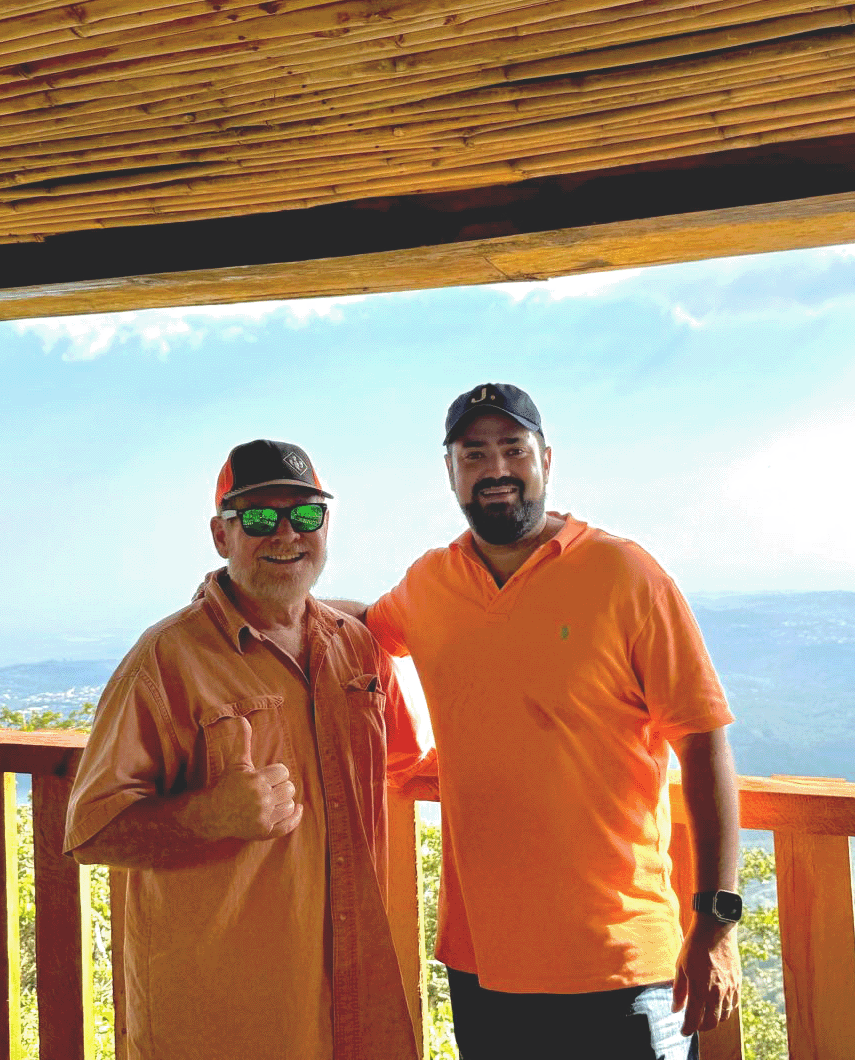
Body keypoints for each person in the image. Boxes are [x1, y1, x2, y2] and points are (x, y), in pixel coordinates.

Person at [329, 383, 741, 1060]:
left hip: (620, 963)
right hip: (483, 965)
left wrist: (717, 923)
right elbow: (365, 623)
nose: (496, 468)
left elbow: (703, 743)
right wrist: (249, 599)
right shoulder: (431, 582)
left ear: (546, 459)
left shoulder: (624, 572)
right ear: (450, 471)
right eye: (474, 454)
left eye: (513, 449)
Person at [64, 439, 434, 1060]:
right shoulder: (165, 660)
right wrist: (209, 816)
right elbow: (91, 832)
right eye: (260, 517)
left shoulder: (357, 647)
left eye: (306, 514)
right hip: (222, 1022)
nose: (286, 533)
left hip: (352, 1007)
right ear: (221, 536)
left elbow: (409, 767)